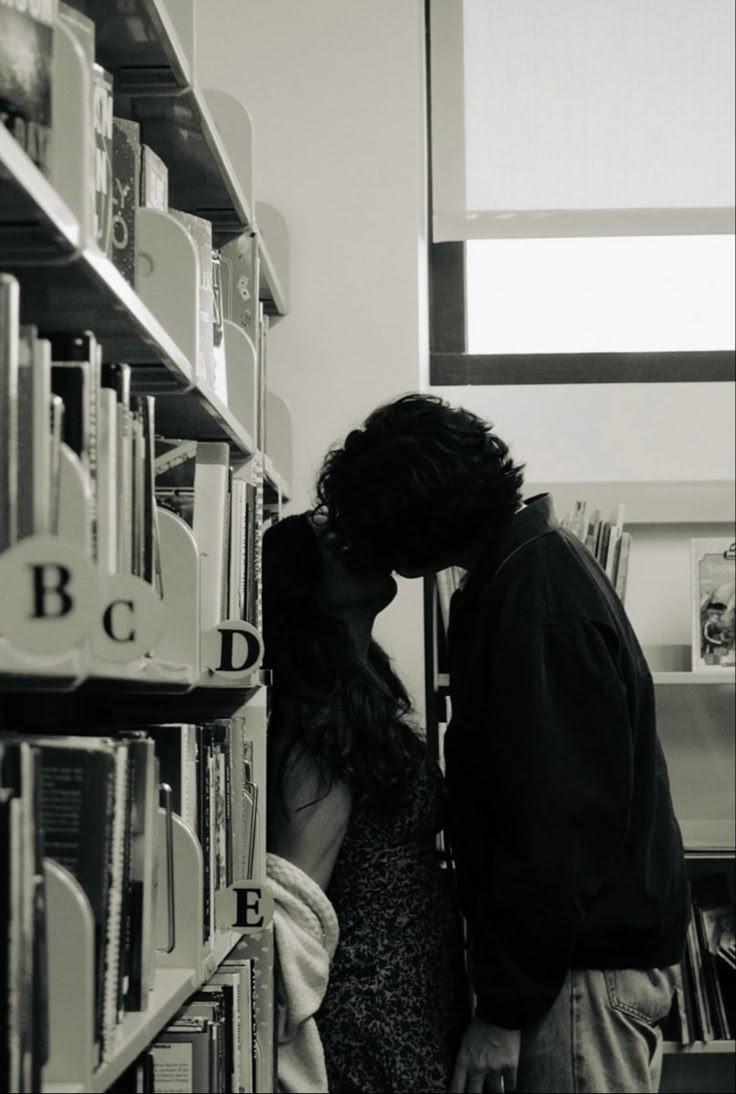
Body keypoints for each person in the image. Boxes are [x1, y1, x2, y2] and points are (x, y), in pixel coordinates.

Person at [315, 393, 690, 1094]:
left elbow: (557, 828)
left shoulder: (535, 598)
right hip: (572, 968)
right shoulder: (523, 570)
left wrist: (504, 1014)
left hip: (577, 978)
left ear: (416, 520)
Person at [262, 510, 469, 1093]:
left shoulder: (358, 687)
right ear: (308, 583)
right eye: (336, 542)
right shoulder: (323, 716)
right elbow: (296, 890)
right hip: (369, 1010)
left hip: (406, 988)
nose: (360, 542)